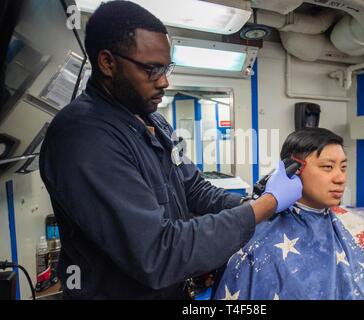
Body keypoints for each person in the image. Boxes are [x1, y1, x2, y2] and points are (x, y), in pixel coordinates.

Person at [38, 1, 302, 299]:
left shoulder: (154, 121)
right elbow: (158, 253)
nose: (164, 81)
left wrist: (255, 204)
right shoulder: (83, 136)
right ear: (107, 62)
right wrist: (265, 205)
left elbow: (196, 190)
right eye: (151, 69)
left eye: (166, 68)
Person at [214, 128, 364, 300]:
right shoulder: (260, 245)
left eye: (343, 167)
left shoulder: (341, 223)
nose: (340, 177)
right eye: (328, 167)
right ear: (292, 170)